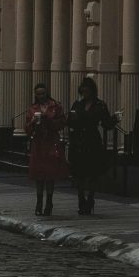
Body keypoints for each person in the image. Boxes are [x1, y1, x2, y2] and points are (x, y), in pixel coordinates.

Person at [66, 75, 116, 216]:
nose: (84, 93)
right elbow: (70, 122)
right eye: (83, 91)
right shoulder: (77, 104)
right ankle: (81, 199)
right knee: (79, 173)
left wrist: (114, 120)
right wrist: (71, 119)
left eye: (87, 90)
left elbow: (106, 124)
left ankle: (90, 198)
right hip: (79, 140)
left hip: (92, 140)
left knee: (93, 172)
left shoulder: (100, 105)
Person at [26, 81, 67, 217]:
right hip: (38, 143)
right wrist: (32, 123)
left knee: (50, 174)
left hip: (50, 142)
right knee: (39, 174)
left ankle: (49, 202)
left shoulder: (55, 106)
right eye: (38, 94)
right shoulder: (33, 108)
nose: (40, 96)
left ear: (47, 93)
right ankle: (39, 202)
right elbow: (27, 129)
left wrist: (48, 120)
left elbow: (61, 123)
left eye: (42, 93)